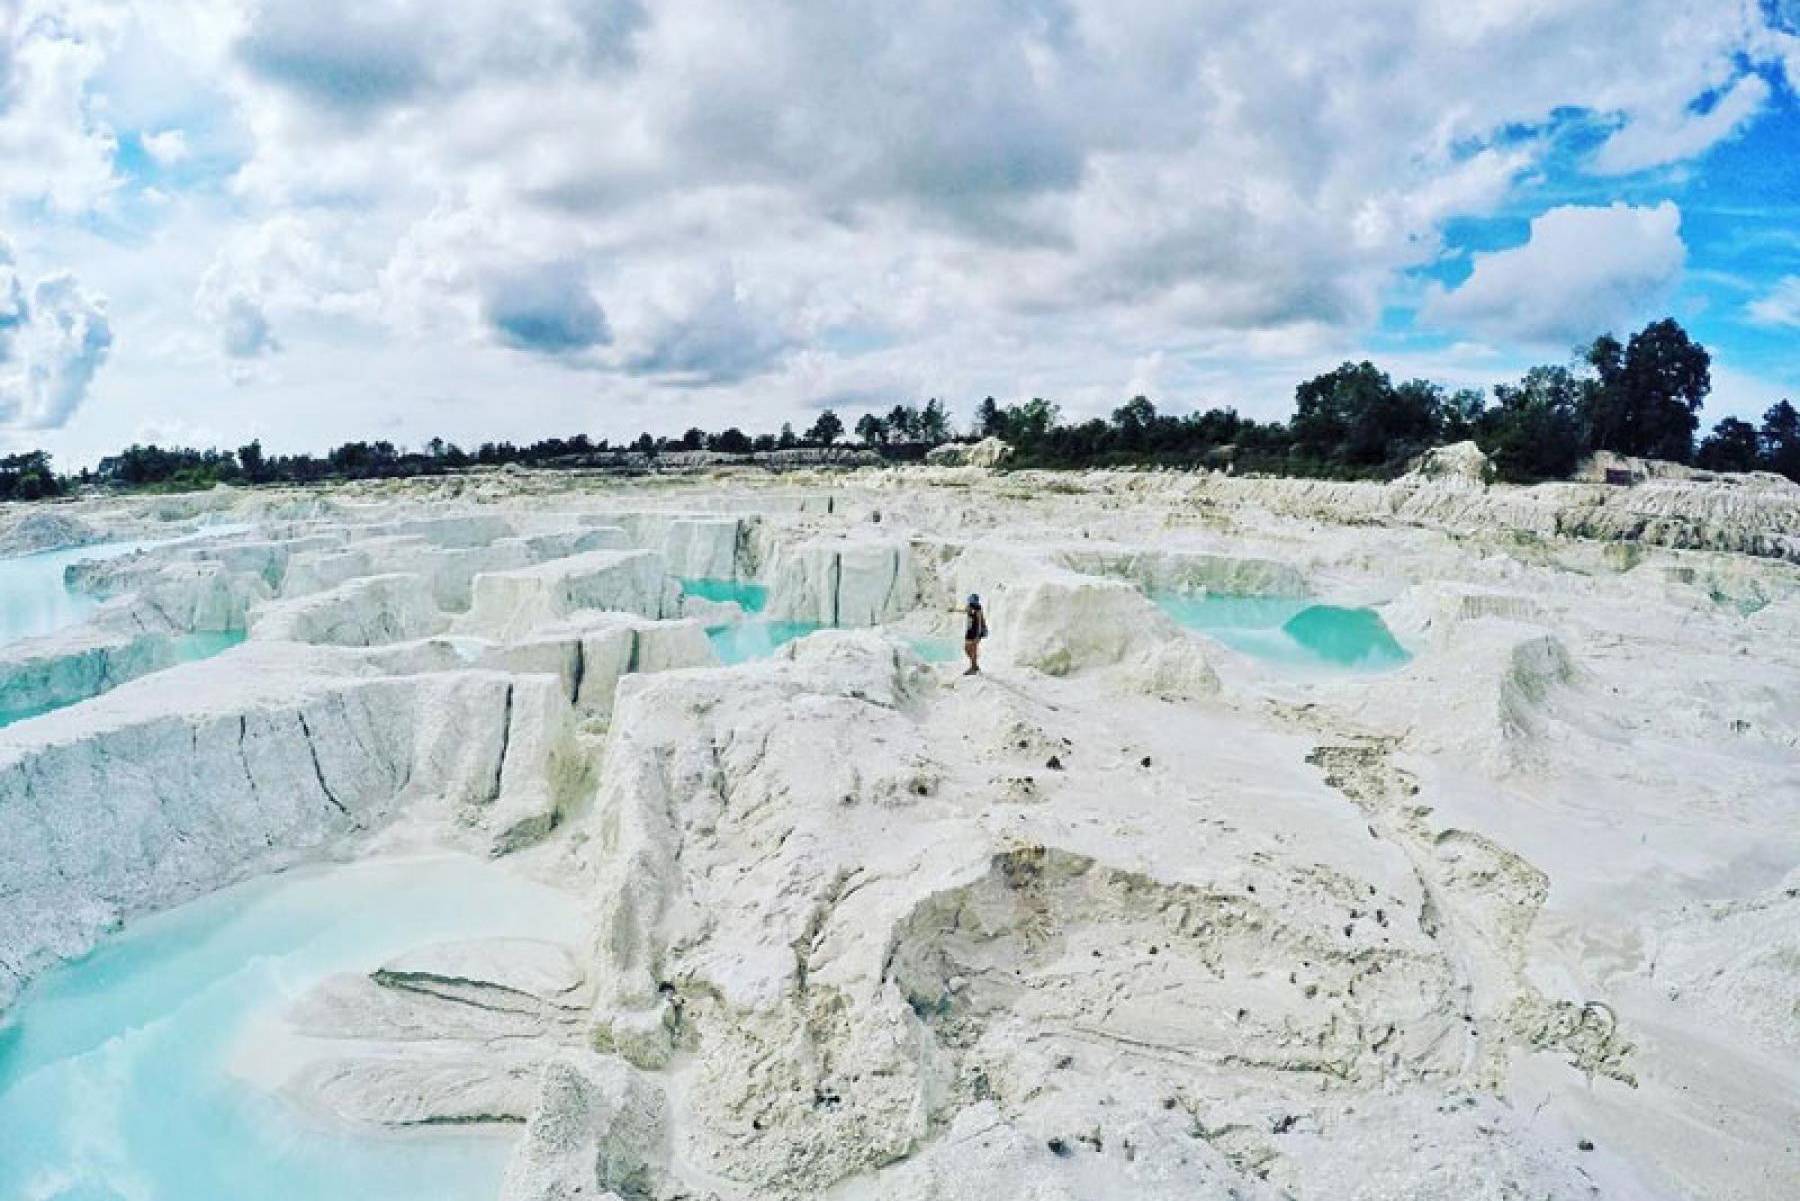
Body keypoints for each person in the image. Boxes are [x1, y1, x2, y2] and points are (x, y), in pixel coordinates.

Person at [956, 593, 988, 675]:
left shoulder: (978, 610)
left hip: (976, 632)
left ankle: (973, 668)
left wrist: (978, 635)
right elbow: (964, 610)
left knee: (973, 649)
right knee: (967, 648)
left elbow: (980, 623)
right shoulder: (970, 607)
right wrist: (953, 610)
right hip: (970, 631)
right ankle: (974, 665)